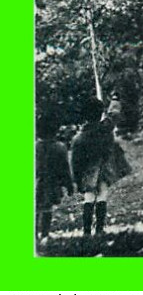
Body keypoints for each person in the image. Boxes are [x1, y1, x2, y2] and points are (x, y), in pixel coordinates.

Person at [71, 96, 131, 237]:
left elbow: (75, 161)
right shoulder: (106, 127)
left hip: (89, 172)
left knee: (89, 197)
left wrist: (76, 178)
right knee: (102, 195)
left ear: (84, 116)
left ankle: (86, 231)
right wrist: (115, 100)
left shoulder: (80, 138)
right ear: (100, 113)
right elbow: (114, 114)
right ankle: (99, 229)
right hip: (104, 168)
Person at [35, 113, 73, 242]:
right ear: (56, 131)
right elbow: (65, 169)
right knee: (47, 208)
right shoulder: (60, 148)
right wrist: (69, 185)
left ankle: (34, 235)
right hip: (52, 183)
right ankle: (45, 234)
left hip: (37, 182)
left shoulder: (35, 147)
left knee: (36, 208)